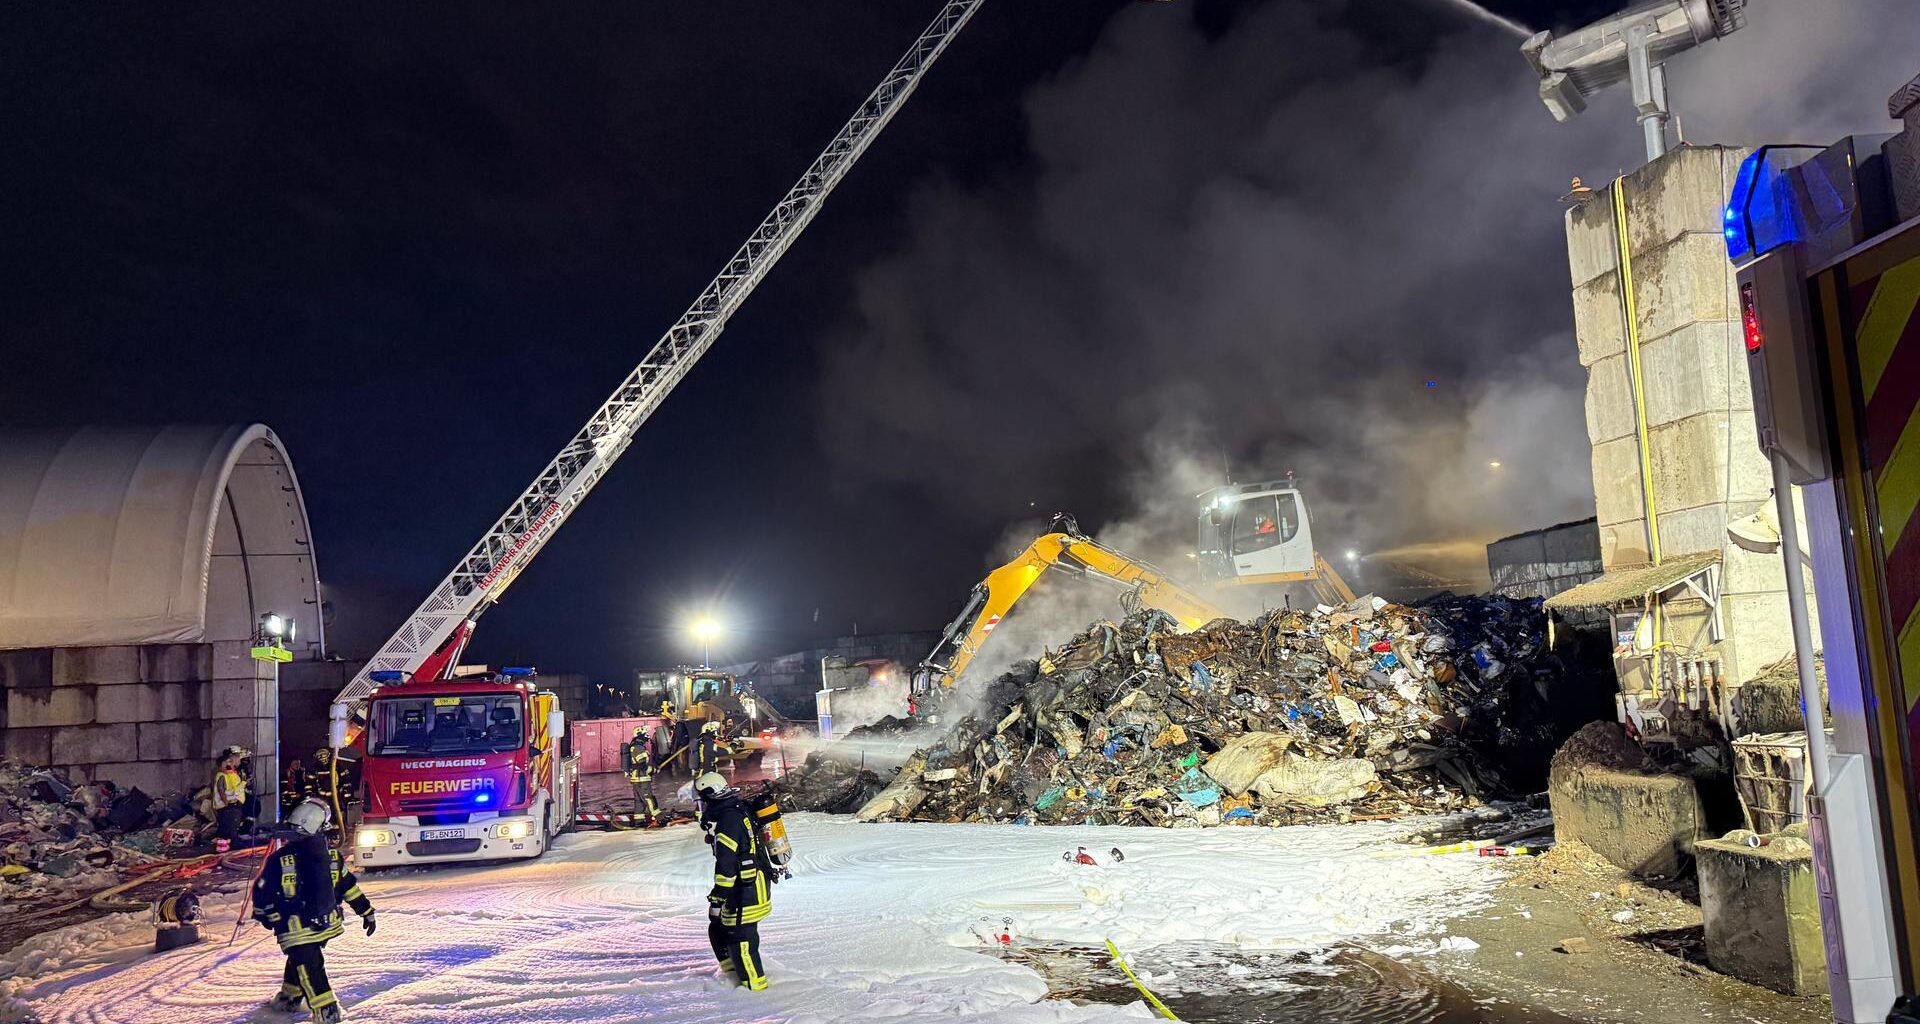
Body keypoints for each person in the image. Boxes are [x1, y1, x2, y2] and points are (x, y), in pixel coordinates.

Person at [253, 798, 375, 1023]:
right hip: (324, 924)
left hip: (294, 930)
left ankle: (327, 1011)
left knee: (309, 966)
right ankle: (289, 998)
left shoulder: (279, 860)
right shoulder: (332, 858)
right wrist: (366, 911)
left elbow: (262, 893)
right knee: (304, 960)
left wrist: (268, 917)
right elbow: (348, 887)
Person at [697, 772, 771, 991]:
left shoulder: (728, 822)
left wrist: (717, 898)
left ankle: (756, 990)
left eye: (703, 800)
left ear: (710, 797)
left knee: (742, 940)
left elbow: (726, 867)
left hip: (745, 891)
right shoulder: (739, 809)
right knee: (719, 929)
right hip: (752, 885)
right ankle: (731, 975)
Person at [212, 746, 250, 853]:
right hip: (227, 806)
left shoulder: (233, 774)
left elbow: (235, 789)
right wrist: (227, 803)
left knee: (232, 827)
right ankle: (227, 847)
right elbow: (222, 790)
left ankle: (231, 844)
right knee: (227, 829)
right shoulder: (222, 775)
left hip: (234, 805)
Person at [622, 727, 660, 827]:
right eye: (645, 733)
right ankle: (659, 818)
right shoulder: (638, 747)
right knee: (648, 798)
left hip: (636, 779)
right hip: (641, 778)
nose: (647, 735)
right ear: (640, 734)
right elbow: (642, 764)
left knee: (639, 801)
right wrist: (653, 770)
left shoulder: (635, 746)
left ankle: (639, 821)